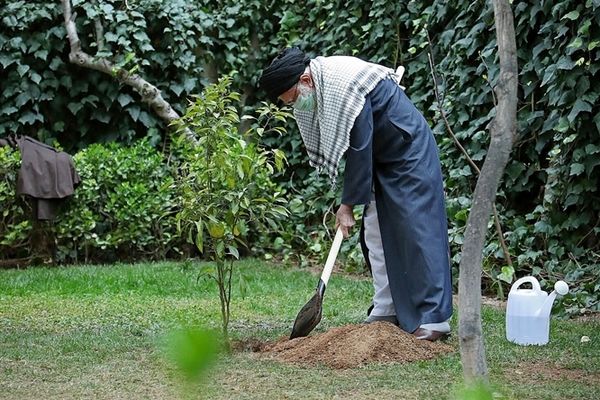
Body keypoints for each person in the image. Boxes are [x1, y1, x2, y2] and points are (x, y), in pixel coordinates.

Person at [259, 47, 452, 341]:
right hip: (382, 157)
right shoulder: (323, 83)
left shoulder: (342, 85)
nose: (295, 105)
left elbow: (360, 147)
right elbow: (359, 146)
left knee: (418, 232)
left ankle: (434, 319)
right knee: (375, 234)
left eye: (294, 98)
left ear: (305, 80)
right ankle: (386, 309)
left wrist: (347, 205)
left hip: (407, 153)